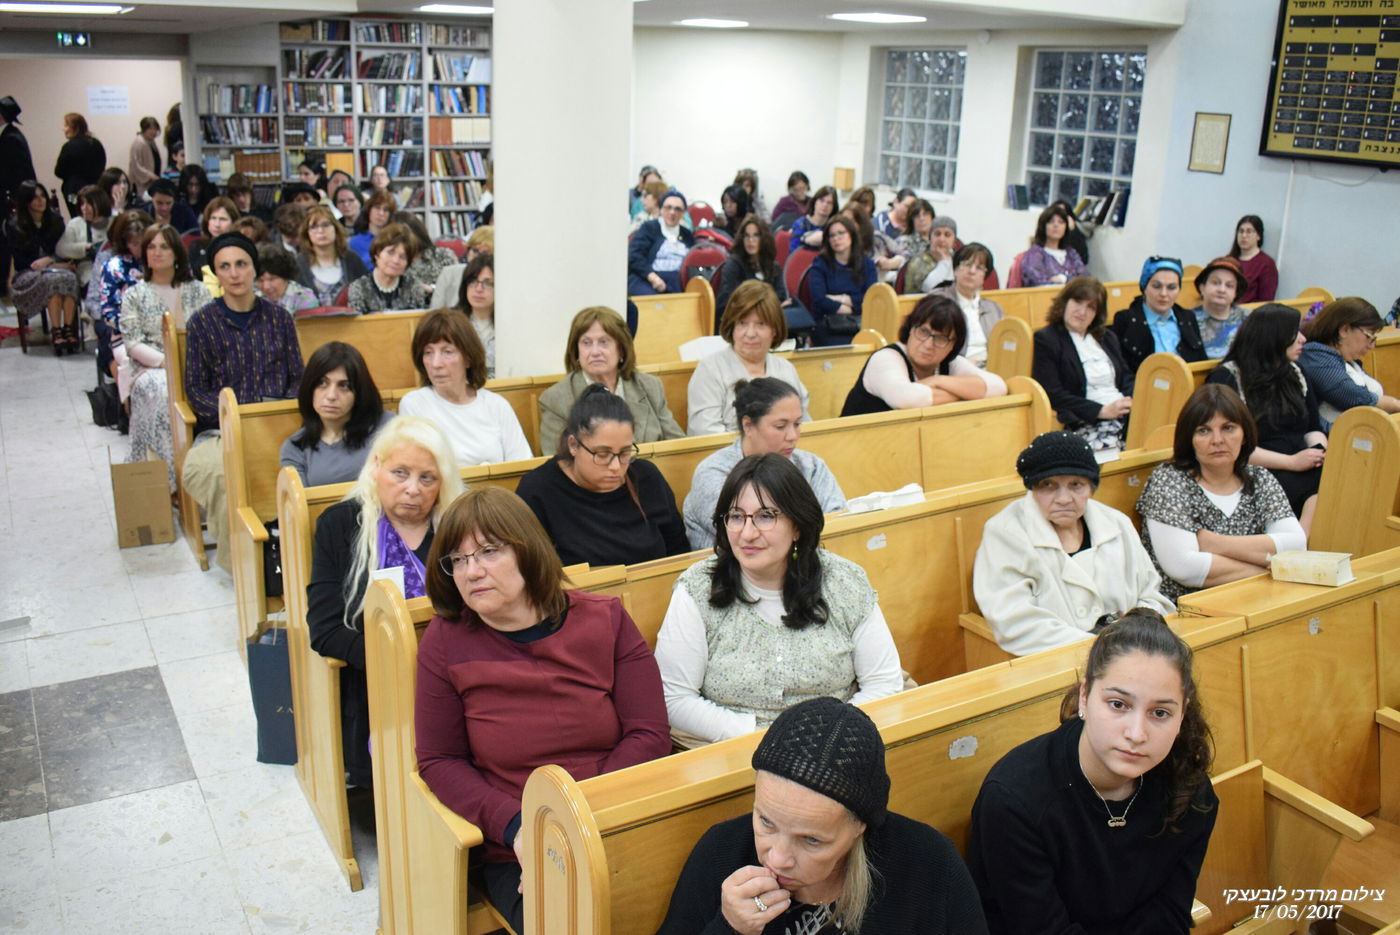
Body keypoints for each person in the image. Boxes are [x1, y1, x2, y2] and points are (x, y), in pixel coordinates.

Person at [416, 486, 670, 934]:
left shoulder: (605, 619)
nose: (471, 571)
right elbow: (440, 761)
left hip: (613, 814)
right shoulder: (445, 640)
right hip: (516, 841)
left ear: (527, 549)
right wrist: (521, 828)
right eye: (457, 559)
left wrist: (577, 816)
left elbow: (649, 734)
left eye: (488, 552)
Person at [966, 610, 1218, 934]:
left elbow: (1169, 915)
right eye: (1118, 704)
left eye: (1160, 712)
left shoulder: (1191, 791)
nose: (1137, 733)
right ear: (1085, 696)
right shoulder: (1013, 801)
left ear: (1182, 715)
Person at [657, 696, 988, 935]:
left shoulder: (926, 862)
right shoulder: (722, 851)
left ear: (860, 826)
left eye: (812, 840)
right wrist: (729, 928)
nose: (779, 858)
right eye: (766, 822)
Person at [656, 453, 903, 747]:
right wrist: (765, 739)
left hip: (833, 748)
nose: (747, 533)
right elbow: (674, 698)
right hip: (731, 751)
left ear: (798, 525)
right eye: (736, 517)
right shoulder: (697, 589)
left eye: (765, 516)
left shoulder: (844, 581)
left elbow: (884, 684)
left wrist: (826, 737)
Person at [309, 416, 463, 790]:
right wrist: (397, 661)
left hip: (458, 669)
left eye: (427, 478)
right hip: (374, 675)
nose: (413, 489)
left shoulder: (456, 526)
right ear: (376, 467)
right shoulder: (341, 525)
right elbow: (325, 629)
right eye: (400, 473)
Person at [973, 432, 1173, 656]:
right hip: (1052, 662)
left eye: (1076, 485)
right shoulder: (1005, 533)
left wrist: (1133, 635)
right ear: (1032, 488)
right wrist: (1101, 648)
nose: (1064, 499)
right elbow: (1015, 621)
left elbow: (1151, 596)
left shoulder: (1116, 523)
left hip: (1132, 652)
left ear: (1091, 487)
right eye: (1048, 485)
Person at [181, 232, 304, 570]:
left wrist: (274, 413)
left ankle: (295, 552)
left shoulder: (279, 320)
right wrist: (233, 418)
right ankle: (242, 564)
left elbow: (298, 378)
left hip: (277, 425)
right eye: (225, 266)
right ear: (216, 274)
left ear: (253, 270)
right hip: (222, 432)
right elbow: (195, 389)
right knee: (222, 474)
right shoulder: (202, 324)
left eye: (241, 265)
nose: (234, 274)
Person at [1135, 384, 1306, 602]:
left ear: (1244, 435)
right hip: (1186, 612)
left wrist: (1215, 543)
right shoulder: (1169, 479)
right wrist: (1270, 570)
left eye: (1228, 428)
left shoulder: (1259, 478)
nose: (1217, 440)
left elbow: (1297, 545)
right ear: (1189, 439)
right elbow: (1184, 567)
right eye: (1204, 431)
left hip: (1259, 601)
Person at [516, 385, 688, 566]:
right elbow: (532, 570)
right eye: (602, 455)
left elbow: (678, 551)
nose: (616, 467)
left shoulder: (646, 477)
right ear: (574, 445)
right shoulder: (538, 490)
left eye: (624, 453)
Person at [683, 378, 844, 549]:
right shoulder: (713, 472)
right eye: (780, 426)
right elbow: (746, 536)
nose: (792, 435)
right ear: (748, 425)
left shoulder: (811, 466)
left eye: (797, 424)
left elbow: (838, 522)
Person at [1206, 303, 1326, 521]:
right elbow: (1229, 445)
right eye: (1294, 333)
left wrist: (1321, 452)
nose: (1303, 339)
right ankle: (1303, 545)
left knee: (1341, 477)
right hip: (1253, 467)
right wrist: (1292, 462)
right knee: (1315, 485)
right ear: (1273, 337)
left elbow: (1312, 428)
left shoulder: (1296, 372)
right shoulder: (1228, 378)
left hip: (1300, 461)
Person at [120, 225, 211, 488]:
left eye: (164, 247)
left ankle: (202, 476)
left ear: (176, 253)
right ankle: (168, 484)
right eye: (151, 247)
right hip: (151, 369)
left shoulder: (197, 290)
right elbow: (133, 341)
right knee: (164, 392)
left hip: (195, 364)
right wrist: (166, 362)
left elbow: (210, 333)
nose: (157, 253)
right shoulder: (135, 294)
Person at [537, 305, 684, 450]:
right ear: (576, 352)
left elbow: (679, 446)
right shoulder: (555, 400)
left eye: (604, 342)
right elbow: (559, 463)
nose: (595, 352)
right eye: (586, 343)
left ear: (621, 350)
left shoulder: (649, 386)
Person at [398, 309, 531, 465]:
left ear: (468, 358)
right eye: (428, 353)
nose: (435, 364)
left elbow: (521, 465)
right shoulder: (415, 404)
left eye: (447, 352)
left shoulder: (496, 405)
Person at [841, 293, 1007, 416]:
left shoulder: (950, 363)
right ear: (910, 328)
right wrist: (965, 393)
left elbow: (998, 386)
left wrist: (938, 380)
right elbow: (906, 399)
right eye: (923, 332)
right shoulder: (886, 358)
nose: (928, 345)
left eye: (940, 338)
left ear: (953, 345)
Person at [688, 281, 811, 435]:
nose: (751, 333)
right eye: (742, 323)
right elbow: (705, 433)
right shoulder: (710, 369)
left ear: (775, 329)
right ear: (731, 327)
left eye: (761, 324)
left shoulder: (785, 369)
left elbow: (803, 425)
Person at [1031, 277, 1134, 452]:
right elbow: (1052, 392)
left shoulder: (1107, 338)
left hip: (1124, 413)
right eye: (1078, 302)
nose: (1082, 311)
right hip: (1086, 418)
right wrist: (1101, 411)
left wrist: (1132, 400)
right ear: (1065, 302)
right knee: (1112, 451)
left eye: (1091, 307)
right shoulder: (1047, 339)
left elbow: (1126, 377)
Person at [282, 343, 393, 486]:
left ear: (359, 392)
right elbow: (300, 506)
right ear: (309, 388)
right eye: (322, 383)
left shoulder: (389, 427)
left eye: (344, 386)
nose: (331, 396)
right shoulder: (295, 447)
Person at [1300, 297, 1400, 430]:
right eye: (1369, 337)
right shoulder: (1315, 355)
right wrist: (1394, 404)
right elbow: (1351, 396)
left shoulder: (1349, 361)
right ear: (1344, 330)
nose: (1372, 346)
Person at [6, 180, 81, 354]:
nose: (41, 201)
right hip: (28, 273)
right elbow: (22, 261)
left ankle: (67, 329)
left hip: (56, 267)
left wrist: (49, 261)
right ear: (26, 202)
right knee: (52, 281)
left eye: (43, 196)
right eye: (35, 198)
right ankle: (57, 332)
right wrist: (49, 264)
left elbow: (63, 250)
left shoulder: (56, 221)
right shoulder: (14, 226)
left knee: (67, 278)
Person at [1110, 256, 1207, 374]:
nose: (1163, 294)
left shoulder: (1188, 317)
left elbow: (1201, 361)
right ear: (1144, 287)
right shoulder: (1126, 319)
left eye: (1172, 287)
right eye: (1156, 286)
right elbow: (1121, 370)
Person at [94, 210, 150, 381]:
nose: (140, 249)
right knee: (127, 363)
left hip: (159, 329)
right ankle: (126, 402)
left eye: (144, 243)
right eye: (134, 243)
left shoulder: (160, 258)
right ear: (124, 241)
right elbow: (109, 310)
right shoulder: (113, 266)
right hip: (123, 329)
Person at [928, 242, 1004, 367]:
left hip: (990, 368)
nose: (972, 271)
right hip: (952, 368)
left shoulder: (994, 309)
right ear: (956, 269)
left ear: (984, 277)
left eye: (979, 268)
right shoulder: (937, 300)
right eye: (967, 264)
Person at [808, 215, 878, 345]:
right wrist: (848, 307)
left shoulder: (867, 264)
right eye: (832, 235)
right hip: (827, 323)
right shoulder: (820, 263)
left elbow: (870, 298)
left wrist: (840, 299)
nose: (836, 239)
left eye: (841, 233)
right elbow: (818, 299)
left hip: (859, 323)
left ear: (851, 235)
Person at [715, 214, 793, 322]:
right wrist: (767, 307)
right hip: (740, 323)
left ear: (764, 238)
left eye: (756, 235)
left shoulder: (774, 267)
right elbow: (726, 303)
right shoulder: (733, 265)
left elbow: (782, 299)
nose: (751, 240)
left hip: (769, 323)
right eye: (747, 235)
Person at [294, 204, 369, 307]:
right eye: (314, 227)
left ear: (335, 228)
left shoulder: (351, 259)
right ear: (307, 233)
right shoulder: (300, 263)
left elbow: (368, 293)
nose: (320, 231)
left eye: (325, 225)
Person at [628, 188, 695, 295]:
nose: (672, 212)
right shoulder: (649, 228)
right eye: (668, 207)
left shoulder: (687, 234)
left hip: (677, 280)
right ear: (661, 209)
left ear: (683, 213)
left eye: (677, 209)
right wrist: (652, 277)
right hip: (648, 277)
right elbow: (635, 256)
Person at [1191, 256, 1250, 359]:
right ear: (1202, 287)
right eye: (1215, 283)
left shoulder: (1249, 319)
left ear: (1236, 293)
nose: (1222, 290)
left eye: (1229, 286)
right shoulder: (1186, 319)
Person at [56, 184, 111, 295]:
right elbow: (61, 249)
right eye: (82, 203)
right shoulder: (76, 223)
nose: (84, 208)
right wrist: (85, 247)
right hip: (89, 271)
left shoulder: (113, 221)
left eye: (89, 203)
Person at [1020, 202, 1087, 287]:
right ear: (1043, 226)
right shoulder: (1035, 253)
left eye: (1061, 222)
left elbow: (1085, 279)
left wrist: (1064, 279)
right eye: (1051, 222)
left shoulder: (1071, 253)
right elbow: (1037, 282)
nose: (1056, 225)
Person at [54, 112, 106, 219]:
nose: (63, 129)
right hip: (95, 189)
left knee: (77, 217)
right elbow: (102, 165)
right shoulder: (96, 144)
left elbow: (59, 171)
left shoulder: (69, 147)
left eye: (66, 125)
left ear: (74, 127)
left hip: (72, 191)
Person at [186, 196, 240, 296]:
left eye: (222, 219)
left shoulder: (240, 248)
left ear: (233, 222)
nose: (217, 224)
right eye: (213, 218)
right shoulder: (196, 246)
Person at [398, 212, 457, 298]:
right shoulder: (394, 262)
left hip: (443, 307)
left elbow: (458, 287)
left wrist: (432, 289)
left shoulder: (444, 256)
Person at [455, 254, 495, 376]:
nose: (478, 289)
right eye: (472, 281)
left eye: (487, 283)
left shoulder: (509, 324)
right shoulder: (453, 324)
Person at [899, 203, 953, 294]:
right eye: (937, 234)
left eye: (947, 235)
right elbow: (931, 289)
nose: (942, 239)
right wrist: (944, 262)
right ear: (930, 237)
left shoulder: (957, 258)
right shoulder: (919, 261)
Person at [255, 243, 319, 313]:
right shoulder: (253, 299)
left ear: (286, 277)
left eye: (272, 279)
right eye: (260, 280)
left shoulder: (305, 299)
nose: (266, 286)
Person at [1229, 213, 1277, 303]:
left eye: (1249, 231)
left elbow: (1266, 302)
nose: (1244, 236)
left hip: (1247, 314)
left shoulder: (1266, 264)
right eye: (1241, 231)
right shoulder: (1229, 260)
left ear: (1258, 236)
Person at [348, 189, 396, 267]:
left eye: (386, 210)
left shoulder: (395, 241)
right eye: (377, 208)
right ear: (369, 210)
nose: (381, 213)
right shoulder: (354, 243)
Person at [788, 185, 837, 252]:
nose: (825, 205)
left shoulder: (833, 227)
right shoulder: (801, 224)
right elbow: (794, 252)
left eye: (829, 203)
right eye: (821, 200)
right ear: (815, 202)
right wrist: (806, 239)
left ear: (833, 207)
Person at [127, 116, 162, 194]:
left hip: (152, 181)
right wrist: (150, 175)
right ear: (144, 129)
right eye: (150, 129)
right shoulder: (139, 142)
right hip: (141, 184)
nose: (154, 131)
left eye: (155, 129)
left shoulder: (151, 141)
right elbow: (136, 165)